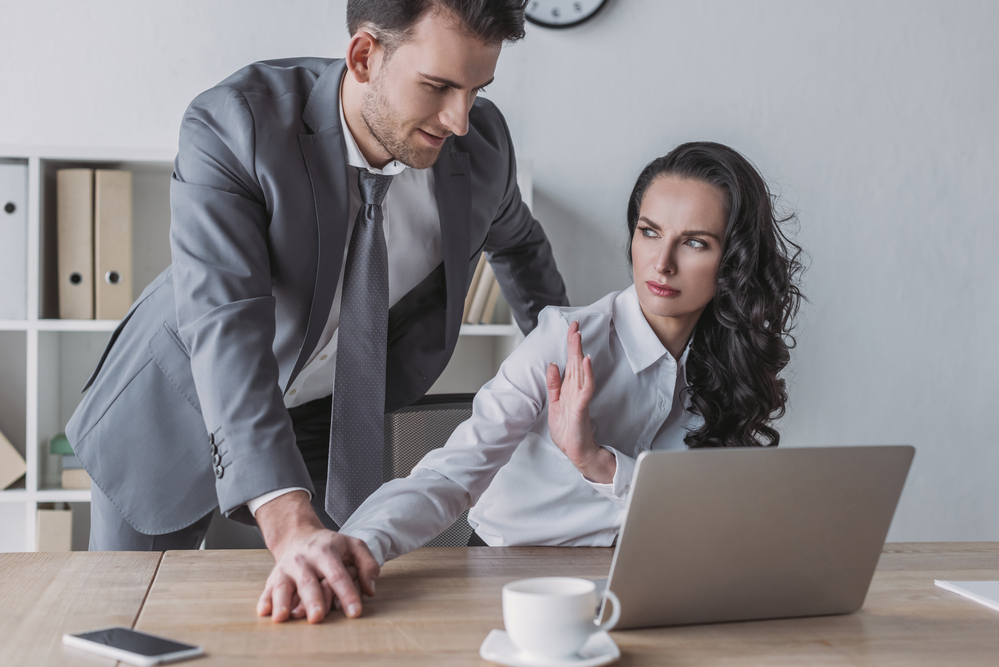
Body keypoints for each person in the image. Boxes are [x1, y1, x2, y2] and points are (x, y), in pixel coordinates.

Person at [66, 0, 567, 625]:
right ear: (363, 57)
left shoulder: (482, 147)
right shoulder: (236, 124)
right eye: (438, 87)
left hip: (325, 424)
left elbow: (519, 244)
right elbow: (227, 325)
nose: (460, 120)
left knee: (329, 612)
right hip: (174, 410)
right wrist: (286, 517)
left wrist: (570, 368)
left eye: (477, 90)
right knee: (127, 626)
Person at [340, 141, 804, 563]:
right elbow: (452, 474)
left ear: (735, 260)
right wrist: (357, 545)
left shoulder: (730, 361)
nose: (662, 263)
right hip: (510, 571)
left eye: (695, 243)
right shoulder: (563, 340)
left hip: (645, 572)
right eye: (649, 232)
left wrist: (597, 463)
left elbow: (706, 510)